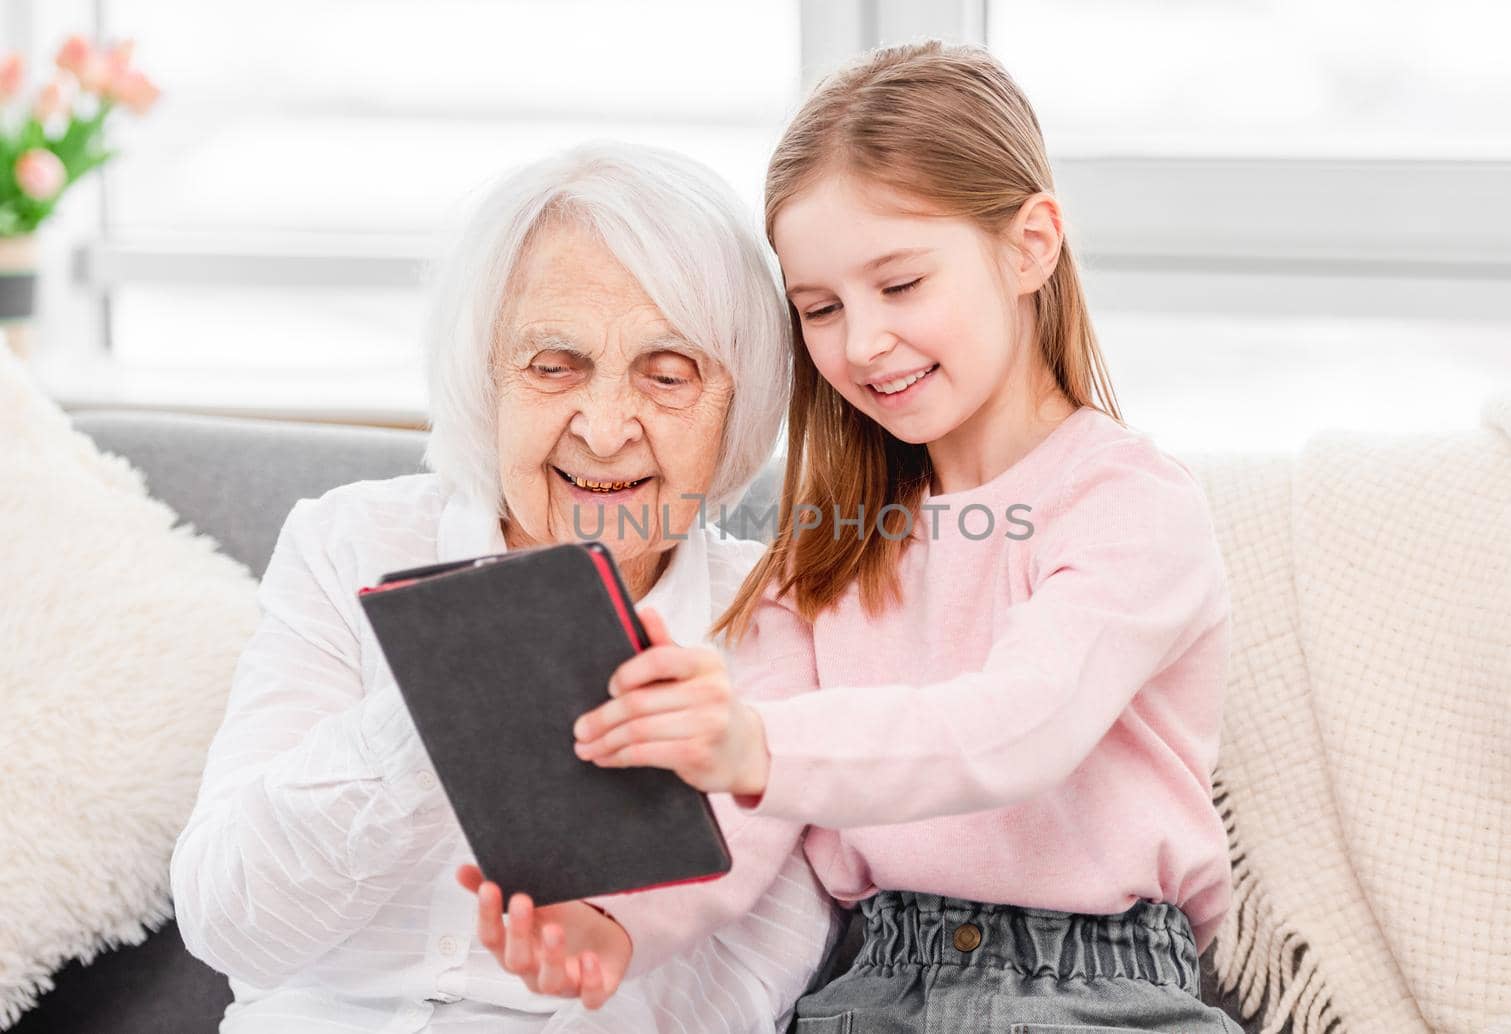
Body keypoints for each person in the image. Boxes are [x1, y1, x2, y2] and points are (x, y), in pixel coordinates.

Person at [473, 41, 1243, 1032]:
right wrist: (616, 928)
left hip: (1094, 990)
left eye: (901, 284)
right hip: (868, 986)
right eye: (822, 309)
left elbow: (1017, 727)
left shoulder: (1128, 502)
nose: (862, 342)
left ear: (1029, 245)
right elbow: (755, 819)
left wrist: (748, 740)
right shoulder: (828, 545)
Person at [170, 141, 837, 1034]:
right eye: (552, 365)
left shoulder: (783, 620)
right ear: (485, 378)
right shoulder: (346, 541)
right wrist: (445, 690)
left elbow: (744, 978)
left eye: (667, 374)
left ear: (738, 401)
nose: (604, 431)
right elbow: (228, 922)